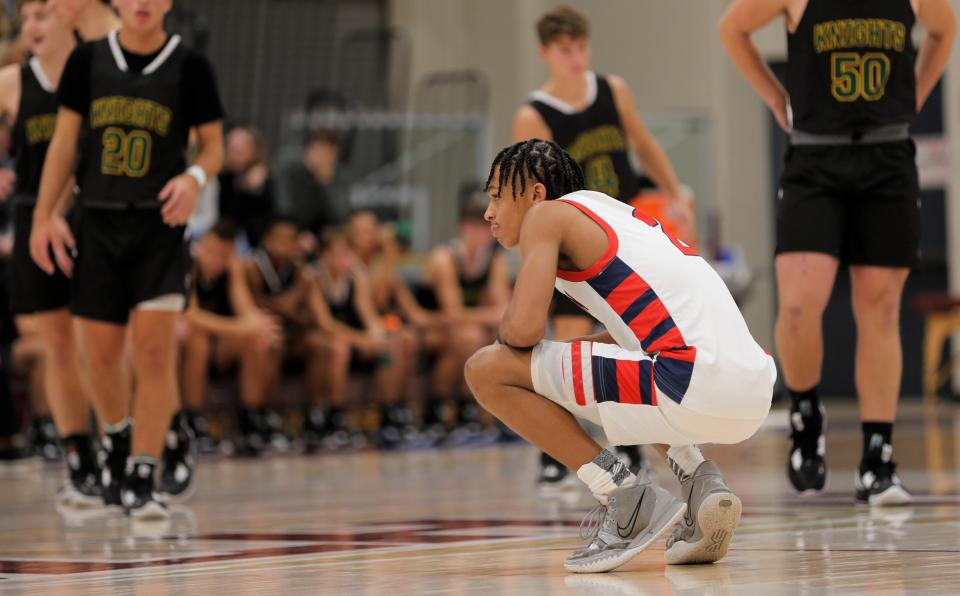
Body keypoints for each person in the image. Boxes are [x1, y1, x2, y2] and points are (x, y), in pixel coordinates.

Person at [464, 140, 776, 572]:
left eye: (496, 194)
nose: (489, 212)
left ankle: (623, 498)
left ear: (535, 194)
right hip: (754, 386)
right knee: (620, 355)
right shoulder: (613, 213)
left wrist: (515, 341)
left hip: (690, 383)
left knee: (487, 369)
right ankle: (700, 480)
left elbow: (522, 332)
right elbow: (625, 334)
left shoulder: (546, 217)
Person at [719, 0, 955, 504]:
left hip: (887, 157)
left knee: (880, 307)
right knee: (801, 305)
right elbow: (732, 29)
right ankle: (806, 413)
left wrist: (918, 89)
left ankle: (878, 456)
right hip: (814, 157)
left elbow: (943, 29)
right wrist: (774, 97)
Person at [30, 0, 224, 518]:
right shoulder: (87, 60)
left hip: (158, 227)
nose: (142, 2)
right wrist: (44, 215)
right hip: (97, 221)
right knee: (100, 356)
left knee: (156, 354)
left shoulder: (191, 65)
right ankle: (116, 439)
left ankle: (144, 470)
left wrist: (194, 178)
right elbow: (65, 143)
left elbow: (213, 148)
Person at [513, 5, 692, 483]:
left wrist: (676, 193)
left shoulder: (613, 90)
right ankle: (558, 450)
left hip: (625, 232)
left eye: (581, 47)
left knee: (630, 340)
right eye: (565, 50)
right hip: (574, 236)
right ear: (545, 53)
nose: (576, 57)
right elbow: (533, 193)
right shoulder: (534, 114)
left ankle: (628, 444)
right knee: (572, 347)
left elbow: (644, 143)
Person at [0, 0, 99, 504]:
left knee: (103, 344)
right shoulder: (13, 82)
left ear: (69, 15)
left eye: (43, 14)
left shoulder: (98, 67)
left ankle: (125, 445)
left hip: (90, 215)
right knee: (58, 346)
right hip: (35, 222)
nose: (33, 27)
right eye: (26, 20)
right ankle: (79, 457)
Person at [179, 220, 281, 453]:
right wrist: (243, 328)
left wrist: (259, 325)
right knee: (197, 340)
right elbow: (190, 314)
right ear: (201, 245)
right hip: (193, 340)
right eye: (214, 252)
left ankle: (252, 418)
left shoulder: (233, 267)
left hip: (221, 342)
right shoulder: (187, 264)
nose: (218, 260)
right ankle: (193, 420)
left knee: (259, 341)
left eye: (225, 254)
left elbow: (245, 309)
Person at [416, 201, 510, 439]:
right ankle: (441, 409)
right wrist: (488, 315)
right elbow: (452, 312)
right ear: (463, 229)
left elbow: (504, 310)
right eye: (477, 228)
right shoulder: (444, 258)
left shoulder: (494, 260)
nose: (484, 235)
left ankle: (482, 410)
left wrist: (490, 316)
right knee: (469, 337)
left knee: (501, 337)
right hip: (428, 324)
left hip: (464, 325)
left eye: (487, 228)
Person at [275, 128, 341, 255]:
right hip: (293, 234)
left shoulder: (335, 179)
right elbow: (285, 210)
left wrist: (324, 183)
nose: (323, 156)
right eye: (319, 150)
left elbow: (335, 219)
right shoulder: (291, 174)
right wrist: (299, 234)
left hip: (320, 241)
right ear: (309, 150)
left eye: (328, 152)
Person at [218, 125, 274, 249]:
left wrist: (251, 192)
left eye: (239, 151)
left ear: (254, 151)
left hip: (255, 244)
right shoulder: (224, 178)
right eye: (231, 150)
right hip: (226, 238)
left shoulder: (265, 181)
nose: (234, 156)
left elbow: (260, 223)